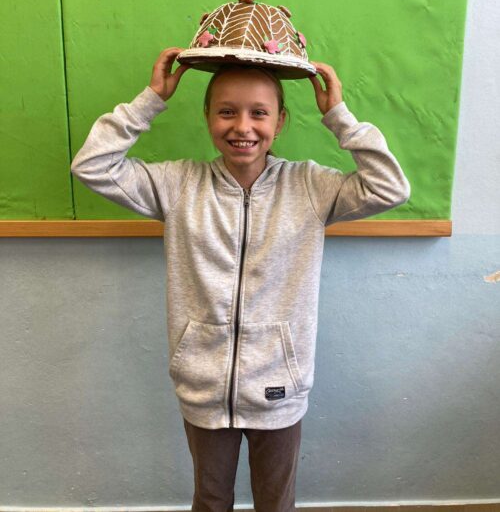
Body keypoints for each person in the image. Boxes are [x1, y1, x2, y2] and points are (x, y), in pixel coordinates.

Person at [71, 46, 411, 511]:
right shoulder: (178, 185)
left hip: (280, 386)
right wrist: (150, 100)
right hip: (203, 386)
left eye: (259, 113)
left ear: (280, 121)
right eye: (227, 112)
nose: (242, 127)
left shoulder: (310, 187)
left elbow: (390, 187)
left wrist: (339, 117)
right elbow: (92, 166)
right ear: (208, 117)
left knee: (276, 502)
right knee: (211, 499)